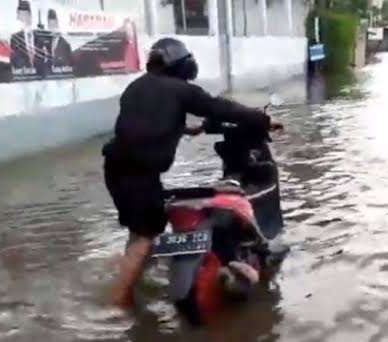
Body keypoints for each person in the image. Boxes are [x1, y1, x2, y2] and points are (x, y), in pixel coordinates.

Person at [102, 38, 282, 308]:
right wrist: (264, 119)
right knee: (145, 235)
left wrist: (187, 129)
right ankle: (119, 302)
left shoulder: (136, 87)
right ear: (183, 65)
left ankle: (134, 275)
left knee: (140, 229)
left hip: (115, 169)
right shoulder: (182, 90)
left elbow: (139, 124)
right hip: (139, 173)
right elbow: (221, 107)